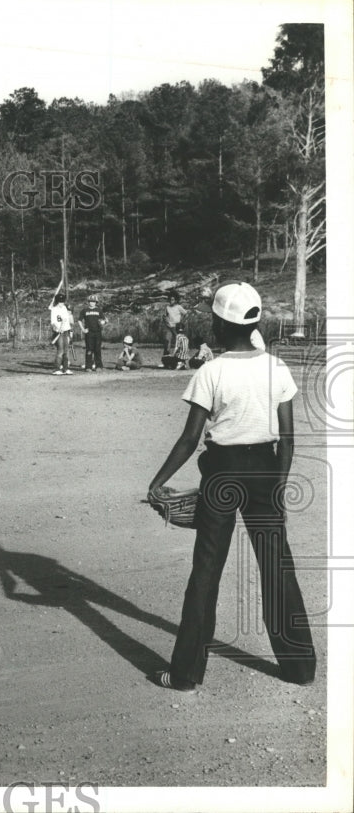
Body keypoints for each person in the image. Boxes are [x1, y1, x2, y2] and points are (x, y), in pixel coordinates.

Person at [147, 282, 316, 692]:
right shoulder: (276, 368)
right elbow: (288, 438)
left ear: (220, 325)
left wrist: (158, 482)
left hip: (222, 473)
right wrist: (277, 484)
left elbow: (190, 439)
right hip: (265, 468)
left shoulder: (212, 371)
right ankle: (299, 668)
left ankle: (186, 674)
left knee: (206, 570)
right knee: (277, 566)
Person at [78, 295, 106, 371]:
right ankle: (88, 366)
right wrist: (83, 329)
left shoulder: (99, 310)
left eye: (94, 302)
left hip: (97, 332)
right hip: (89, 333)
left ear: (96, 302)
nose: (92, 303)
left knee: (97, 349)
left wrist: (103, 322)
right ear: (88, 302)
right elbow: (79, 320)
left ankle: (99, 366)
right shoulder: (85, 310)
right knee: (89, 350)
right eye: (91, 301)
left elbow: (103, 320)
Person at [49, 293, 74, 375]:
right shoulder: (54, 309)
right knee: (60, 350)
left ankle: (65, 368)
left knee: (66, 350)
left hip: (65, 331)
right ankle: (57, 369)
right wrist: (58, 328)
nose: (61, 303)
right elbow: (53, 322)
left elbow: (66, 320)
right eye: (60, 301)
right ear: (57, 301)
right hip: (58, 332)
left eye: (63, 301)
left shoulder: (64, 308)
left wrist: (67, 329)